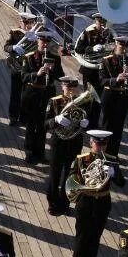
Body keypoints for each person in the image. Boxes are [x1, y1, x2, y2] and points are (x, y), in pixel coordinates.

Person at [69, 130, 115, 257]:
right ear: (91, 143)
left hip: (102, 201)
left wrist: (114, 172)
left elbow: (121, 182)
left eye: (104, 143)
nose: (101, 147)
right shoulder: (81, 160)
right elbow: (72, 180)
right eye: (98, 143)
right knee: (82, 235)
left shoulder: (112, 160)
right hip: (86, 201)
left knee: (95, 236)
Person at [98, 36, 128, 186]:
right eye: (121, 46)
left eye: (126, 47)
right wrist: (116, 79)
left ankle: (113, 158)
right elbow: (102, 81)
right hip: (110, 97)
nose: (124, 49)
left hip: (123, 98)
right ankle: (102, 158)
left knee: (118, 130)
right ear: (116, 45)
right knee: (106, 128)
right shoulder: (106, 60)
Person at [45, 77, 88, 215]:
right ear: (62, 86)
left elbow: (90, 123)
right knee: (54, 174)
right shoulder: (54, 102)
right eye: (68, 88)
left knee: (70, 176)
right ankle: (52, 202)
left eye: (73, 88)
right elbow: (45, 124)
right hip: (58, 142)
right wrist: (55, 120)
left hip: (75, 142)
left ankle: (64, 203)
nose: (71, 91)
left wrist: (86, 124)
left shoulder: (84, 103)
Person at [20, 33, 62, 164]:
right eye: (42, 42)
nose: (44, 45)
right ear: (38, 41)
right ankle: (29, 153)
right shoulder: (28, 57)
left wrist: (52, 71)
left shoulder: (55, 58)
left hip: (47, 94)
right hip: (32, 94)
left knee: (43, 126)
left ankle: (40, 153)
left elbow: (60, 75)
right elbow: (23, 76)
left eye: (47, 42)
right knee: (31, 125)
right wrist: (36, 73)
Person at [4, 11, 39, 126]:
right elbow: (6, 47)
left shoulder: (37, 35)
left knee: (26, 95)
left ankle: (24, 118)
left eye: (30, 22)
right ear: (21, 22)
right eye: (24, 22)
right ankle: (13, 117)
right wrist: (13, 47)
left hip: (29, 69)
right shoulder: (15, 33)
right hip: (17, 67)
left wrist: (37, 40)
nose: (27, 25)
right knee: (15, 94)